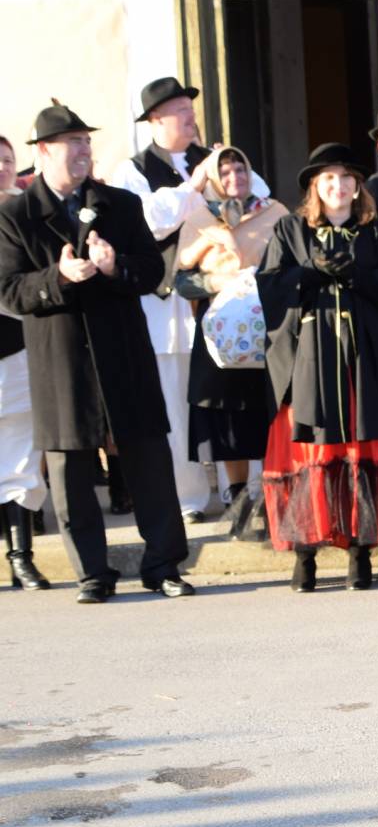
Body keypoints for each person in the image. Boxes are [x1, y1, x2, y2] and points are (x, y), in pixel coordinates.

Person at [0, 102, 193, 603]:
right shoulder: (15, 215)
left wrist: (115, 268)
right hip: (60, 359)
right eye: (73, 142)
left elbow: (153, 273)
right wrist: (58, 278)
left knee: (149, 459)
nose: (84, 150)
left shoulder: (121, 205)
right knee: (70, 470)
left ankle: (163, 565)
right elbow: (10, 291)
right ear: (43, 152)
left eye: (87, 141)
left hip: (123, 352)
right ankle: (93, 573)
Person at [256, 143, 378, 591]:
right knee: (314, 452)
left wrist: (360, 276)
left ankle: (359, 554)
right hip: (311, 358)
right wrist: (310, 274)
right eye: (328, 178)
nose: (339, 185)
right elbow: (270, 285)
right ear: (314, 186)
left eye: (347, 177)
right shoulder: (290, 229)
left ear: (357, 186)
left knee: (360, 452)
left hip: (363, 362)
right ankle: (304, 557)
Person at [109, 77, 241, 524]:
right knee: (175, 400)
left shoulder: (216, 160)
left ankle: (239, 484)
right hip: (167, 305)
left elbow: (255, 198)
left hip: (223, 299)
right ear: (155, 120)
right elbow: (147, 222)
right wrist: (192, 187)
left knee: (230, 391)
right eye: (180, 111)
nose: (190, 117)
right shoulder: (133, 170)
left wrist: (223, 173)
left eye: (191, 109)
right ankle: (189, 498)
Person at [172, 146, 288, 534]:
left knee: (265, 411)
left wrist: (260, 280)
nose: (235, 174)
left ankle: (272, 502)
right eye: (225, 169)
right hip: (218, 329)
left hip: (264, 323)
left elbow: (292, 262)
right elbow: (182, 278)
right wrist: (217, 281)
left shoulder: (274, 211)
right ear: (214, 178)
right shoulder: (199, 216)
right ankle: (238, 503)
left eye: (241, 166)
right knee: (226, 417)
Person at [0, 133, 48, 589]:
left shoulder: (25, 212)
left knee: (19, 457)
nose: (2, 168)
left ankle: (21, 557)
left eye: (8, 160)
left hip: (17, 346)